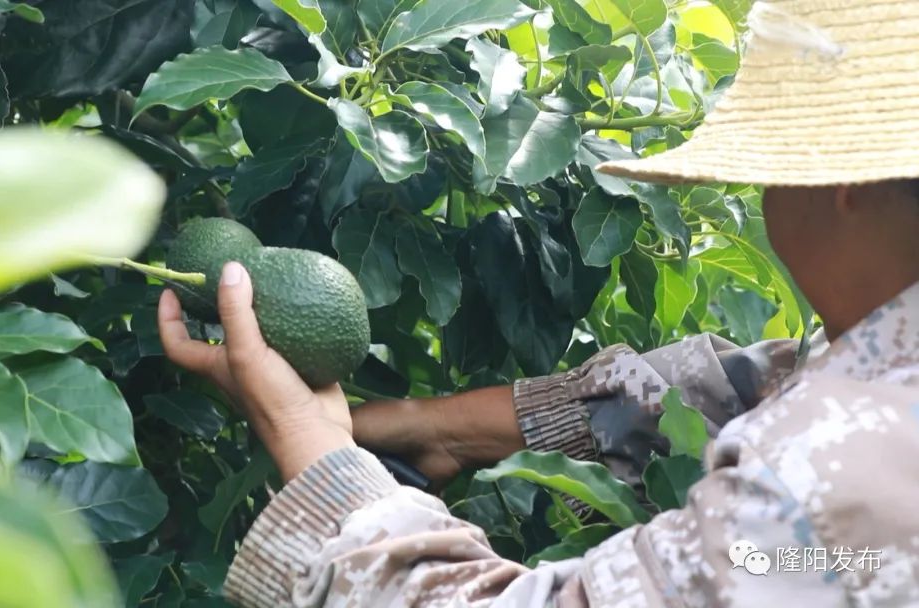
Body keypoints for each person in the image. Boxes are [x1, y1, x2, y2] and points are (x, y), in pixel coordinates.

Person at [157, 0, 919, 605]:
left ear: (841, 184)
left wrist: (308, 444)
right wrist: (432, 429)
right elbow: (741, 387)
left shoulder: (845, 473)